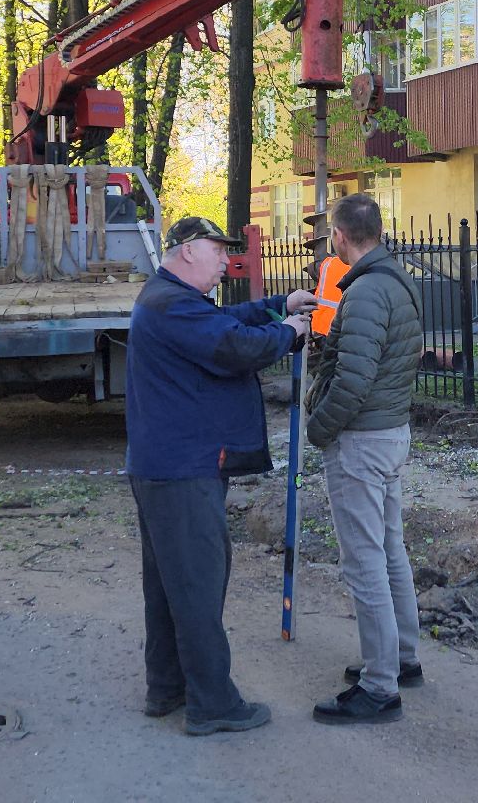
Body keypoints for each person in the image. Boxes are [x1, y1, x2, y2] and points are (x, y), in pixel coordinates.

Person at [124, 215, 316, 736]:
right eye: (217, 252)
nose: (225, 262)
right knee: (198, 584)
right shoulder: (171, 305)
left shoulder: (170, 300)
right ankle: (212, 704)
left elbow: (226, 321)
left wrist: (279, 305)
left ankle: (167, 688)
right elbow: (235, 347)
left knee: (170, 584)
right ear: (187, 251)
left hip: (167, 465)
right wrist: (289, 333)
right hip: (183, 470)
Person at [304, 193, 424, 725]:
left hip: (361, 440)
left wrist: (319, 429)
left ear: (341, 236)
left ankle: (380, 688)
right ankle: (401, 658)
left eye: (330, 235)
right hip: (390, 432)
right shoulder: (396, 280)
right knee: (389, 550)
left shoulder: (368, 291)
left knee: (365, 561)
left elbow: (353, 380)